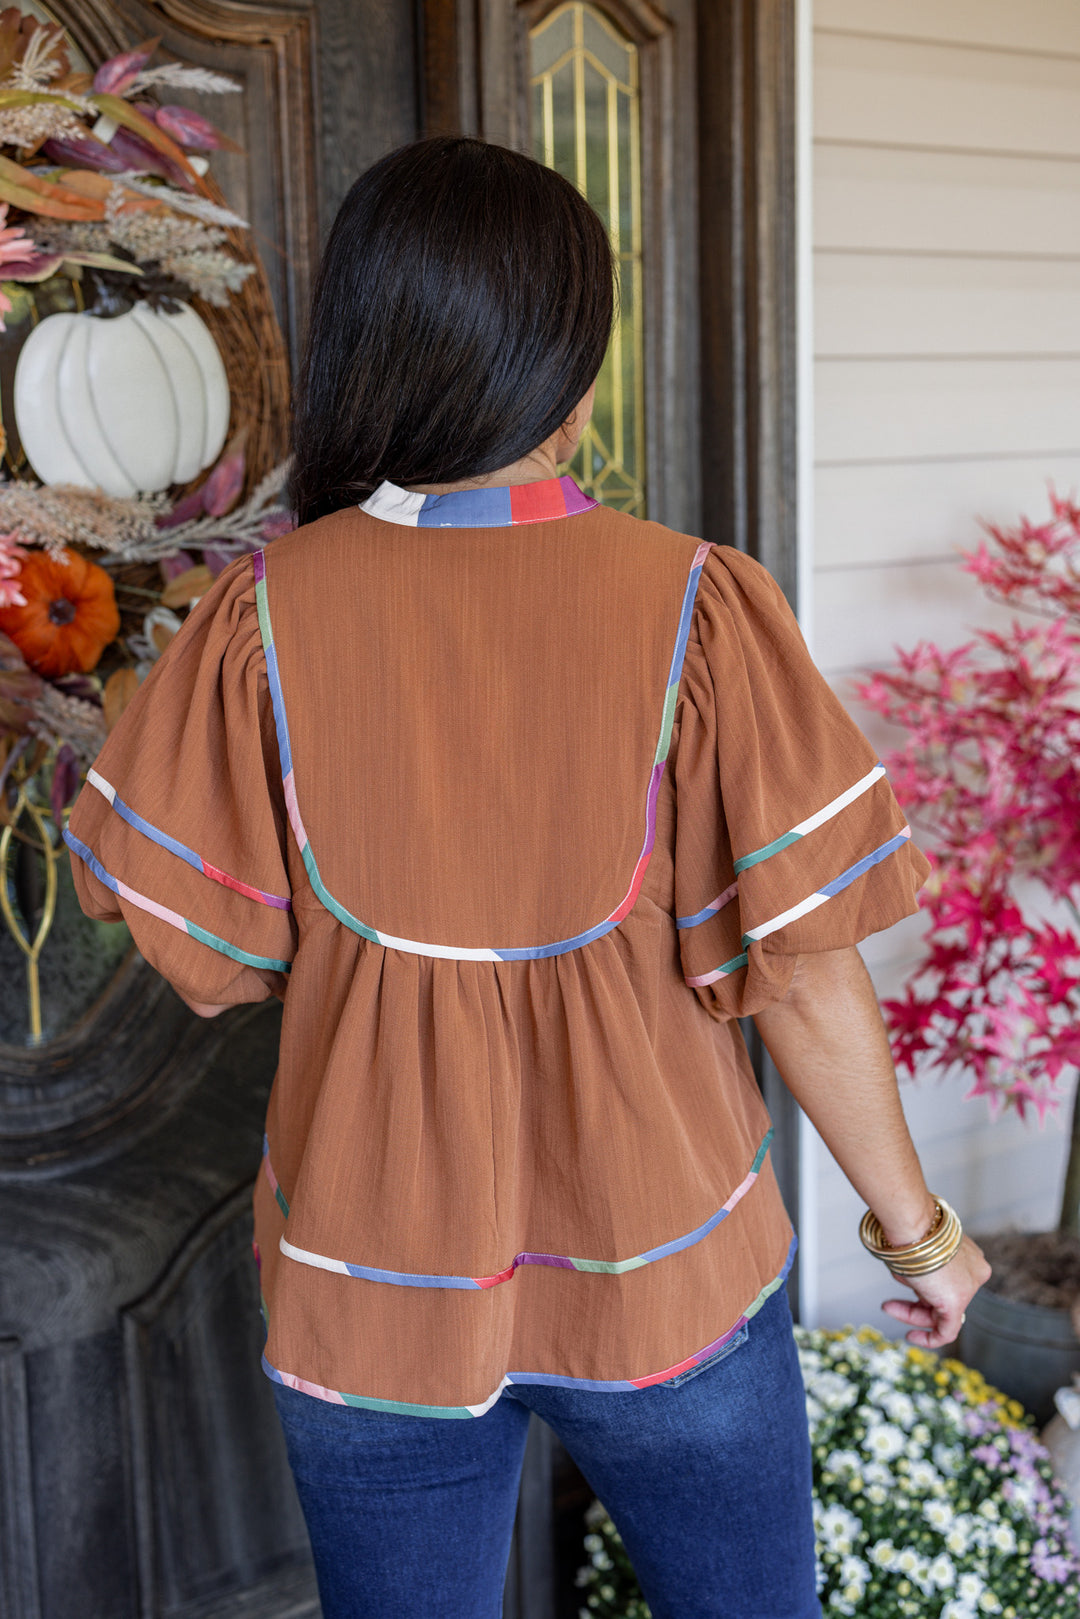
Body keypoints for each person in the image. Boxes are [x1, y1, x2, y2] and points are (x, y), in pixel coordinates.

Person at [66, 136, 990, 1619]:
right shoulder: (699, 606)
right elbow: (807, 975)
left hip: (370, 1294)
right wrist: (920, 1235)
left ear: (367, 338)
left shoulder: (253, 625)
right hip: (667, 1273)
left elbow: (220, 964)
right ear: (570, 353)